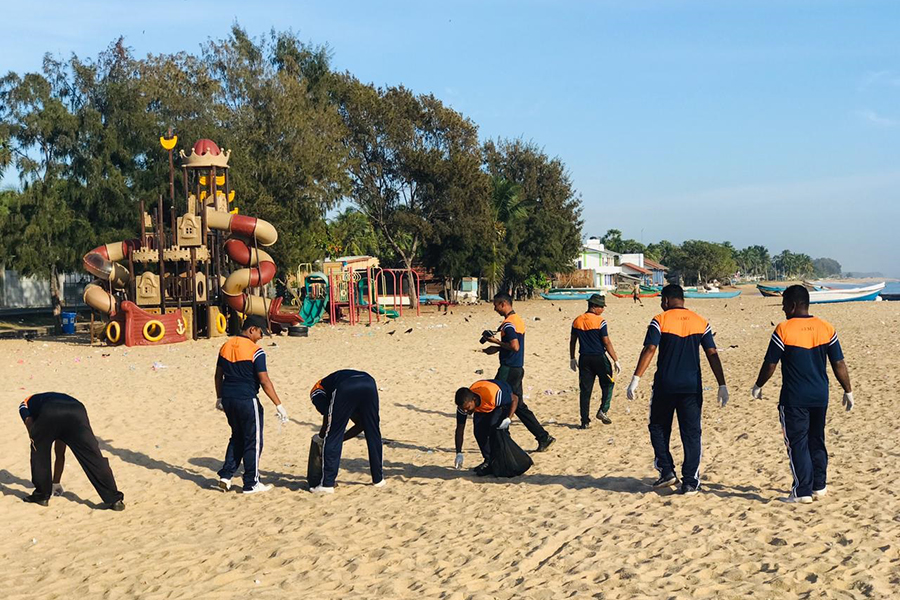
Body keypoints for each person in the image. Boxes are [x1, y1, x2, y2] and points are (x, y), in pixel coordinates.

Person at [750, 285, 853, 504]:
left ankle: (802, 491)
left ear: (794, 305)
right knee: (817, 440)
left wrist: (758, 385)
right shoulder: (826, 327)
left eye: (785, 304)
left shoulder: (783, 329)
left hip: (794, 398)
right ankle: (819, 486)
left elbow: (770, 364)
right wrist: (847, 390)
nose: (783, 309)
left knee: (797, 443)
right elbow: (839, 363)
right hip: (820, 396)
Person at [625, 284, 729, 496]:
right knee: (691, 433)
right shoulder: (701, 321)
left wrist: (636, 378)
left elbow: (650, 348)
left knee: (658, 427)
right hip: (691, 387)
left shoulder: (660, 320)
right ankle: (690, 481)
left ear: (666, 300)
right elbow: (712, 353)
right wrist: (721, 384)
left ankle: (666, 470)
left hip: (665, 385)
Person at [215, 314, 288, 494]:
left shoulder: (225, 346)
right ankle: (251, 482)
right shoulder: (256, 351)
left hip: (228, 398)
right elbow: (264, 381)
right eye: (260, 333)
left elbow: (218, 375)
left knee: (236, 436)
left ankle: (226, 475)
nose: (261, 338)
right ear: (252, 329)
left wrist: (219, 398)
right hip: (247, 399)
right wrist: (278, 405)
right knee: (253, 441)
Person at [18, 392, 125, 510]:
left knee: (40, 454)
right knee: (93, 456)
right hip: (77, 410)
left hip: (50, 410)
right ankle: (115, 500)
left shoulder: (25, 404)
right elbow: (60, 452)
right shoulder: (47, 400)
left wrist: (35, 440)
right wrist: (56, 483)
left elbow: (30, 426)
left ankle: (42, 495)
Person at [482, 292, 555, 452]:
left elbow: (515, 346)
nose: (494, 308)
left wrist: (495, 341)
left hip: (508, 369)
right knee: (519, 406)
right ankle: (543, 437)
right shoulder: (517, 320)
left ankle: (502, 441)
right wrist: (497, 347)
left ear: (503, 304)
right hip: (517, 367)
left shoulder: (508, 324)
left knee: (499, 402)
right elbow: (513, 345)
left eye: (495, 305)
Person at [308, 369, 384, 494]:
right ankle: (378, 479)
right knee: (373, 431)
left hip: (346, 386)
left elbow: (329, 420)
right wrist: (341, 438)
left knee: (333, 434)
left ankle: (327, 485)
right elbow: (361, 425)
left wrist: (324, 438)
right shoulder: (332, 385)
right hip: (369, 382)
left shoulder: (316, 392)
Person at [454, 379, 531, 477]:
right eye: (463, 409)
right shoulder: (463, 405)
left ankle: (502, 461)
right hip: (483, 407)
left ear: (474, 400)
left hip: (500, 401)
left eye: (468, 408)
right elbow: (460, 429)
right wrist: (459, 453)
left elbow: (515, 398)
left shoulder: (492, 396)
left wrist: (509, 418)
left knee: (495, 429)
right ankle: (489, 461)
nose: (466, 411)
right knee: (478, 432)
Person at [570, 293, 621, 428]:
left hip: (584, 359)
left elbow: (573, 341)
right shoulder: (600, 321)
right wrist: (615, 359)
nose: (603, 310)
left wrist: (572, 357)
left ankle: (584, 421)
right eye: (601, 307)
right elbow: (606, 342)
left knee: (585, 390)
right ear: (594, 306)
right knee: (608, 384)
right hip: (599, 357)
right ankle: (603, 410)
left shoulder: (577, 320)